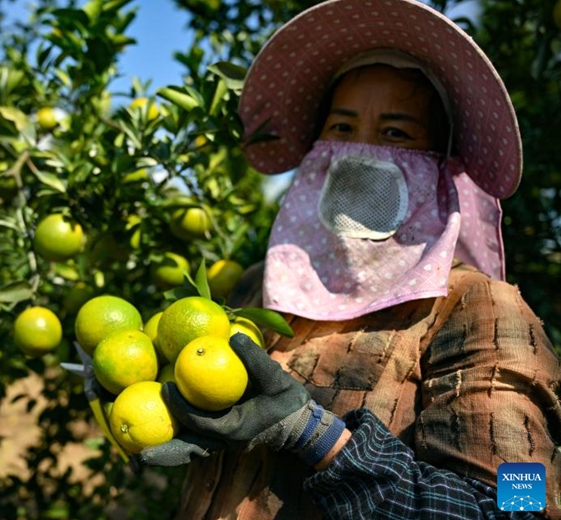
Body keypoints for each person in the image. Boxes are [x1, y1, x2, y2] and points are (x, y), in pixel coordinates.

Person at [139, 0, 561, 518]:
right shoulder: (258, 290)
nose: (359, 153)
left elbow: (523, 506)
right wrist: (134, 380)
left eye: (395, 133)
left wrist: (317, 439)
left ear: (438, 166)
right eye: (340, 128)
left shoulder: (481, 308)